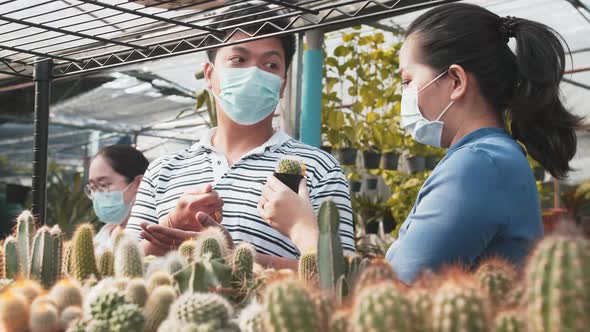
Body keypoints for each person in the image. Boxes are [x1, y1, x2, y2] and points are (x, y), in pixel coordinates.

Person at [125, 4, 355, 269]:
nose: (254, 73)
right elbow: (125, 270)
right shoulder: (163, 170)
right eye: (239, 60)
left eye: (270, 64)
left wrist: (238, 259)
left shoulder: (319, 169)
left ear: (282, 84)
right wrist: (170, 227)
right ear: (210, 75)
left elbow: (341, 275)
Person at [382, 3, 583, 283]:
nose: (404, 93)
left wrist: (305, 231)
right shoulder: (489, 157)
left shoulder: (478, 165)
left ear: (455, 81)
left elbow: (401, 289)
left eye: (407, 80)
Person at [85, 144, 149, 254]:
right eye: (93, 187)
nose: (97, 194)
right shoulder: (102, 236)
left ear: (139, 183)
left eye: (104, 184)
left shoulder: (152, 239)